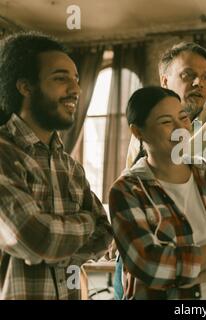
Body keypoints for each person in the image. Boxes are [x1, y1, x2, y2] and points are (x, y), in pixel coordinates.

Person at [109, 86, 206, 300]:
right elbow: (151, 266)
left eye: (183, 118)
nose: (181, 129)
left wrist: (182, 276)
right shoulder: (127, 190)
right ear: (138, 131)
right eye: (166, 122)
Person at [0, 32, 113, 300]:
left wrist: (54, 243)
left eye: (76, 79)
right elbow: (34, 238)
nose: (76, 89)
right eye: (61, 78)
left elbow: (105, 234)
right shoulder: (4, 153)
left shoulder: (71, 167)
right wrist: (86, 221)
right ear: (25, 87)